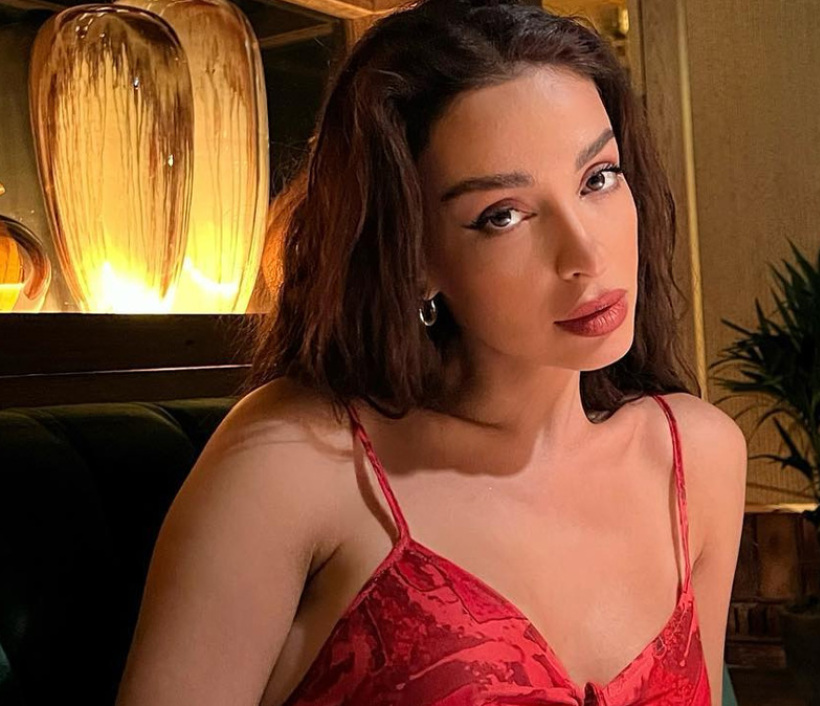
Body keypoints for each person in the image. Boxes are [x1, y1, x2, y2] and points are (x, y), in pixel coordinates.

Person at [114, 1, 748, 704]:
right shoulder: (296, 464)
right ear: (412, 253)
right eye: (503, 215)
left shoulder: (697, 459)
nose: (587, 255)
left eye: (598, 178)